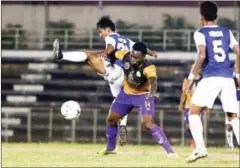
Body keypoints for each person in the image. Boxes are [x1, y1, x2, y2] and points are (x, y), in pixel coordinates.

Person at [52, 16, 157, 146]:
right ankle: (122, 127)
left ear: (108, 29)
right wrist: (152, 53)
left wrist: (103, 53)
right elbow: (143, 49)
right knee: (120, 102)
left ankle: (62, 55)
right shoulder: (128, 40)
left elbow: (110, 48)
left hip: (114, 70)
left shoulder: (111, 37)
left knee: (87, 55)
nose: (100, 35)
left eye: (101, 32)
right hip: (124, 76)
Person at [83, 42, 178, 157]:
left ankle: (171, 152)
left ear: (143, 57)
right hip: (127, 94)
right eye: (132, 56)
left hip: (144, 96)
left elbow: (153, 81)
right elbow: (110, 53)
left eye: (136, 58)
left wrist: (152, 92)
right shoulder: (125, 55)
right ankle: (110, 148)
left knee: (148, 124)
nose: (133, 60)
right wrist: (97, 54)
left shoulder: (149, 67)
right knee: (111, 119)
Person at [185, 1, 239, 163]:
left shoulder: (200, 33)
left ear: (201, 17)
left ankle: (200, 149)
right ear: (216, 16)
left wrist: (190, 77)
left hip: (211, 76)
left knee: (193, 112)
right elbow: (238, 51)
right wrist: (236, 72)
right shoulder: (227, 32)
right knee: (233, 117)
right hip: (228, 77)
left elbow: (202, 55)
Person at [178, 72, 207, 149]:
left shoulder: (203, 80)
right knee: (188, 126)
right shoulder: (187, 80)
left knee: (196, 125)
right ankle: (194, 139)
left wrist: (207, 106)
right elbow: (183, 93)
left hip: (198, 105)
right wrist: (181, 104)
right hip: (188, 105)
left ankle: (197, 142)